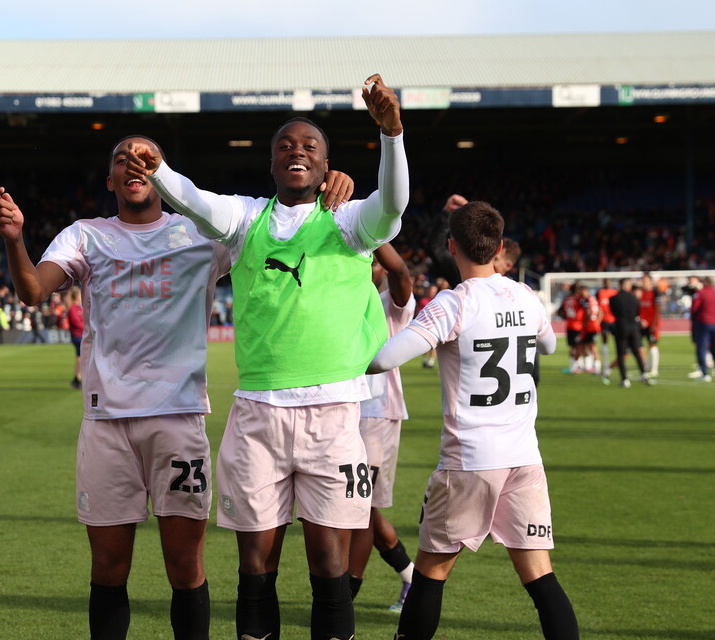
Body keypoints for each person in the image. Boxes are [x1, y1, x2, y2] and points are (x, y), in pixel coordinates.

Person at [126, 73, 409, 640]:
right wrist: (157, 169)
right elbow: (196, 201)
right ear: (272, 164)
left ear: (328, 168)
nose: (296, 151)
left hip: (333, 415)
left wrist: (392, 135)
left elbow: (395, 202)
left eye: (309, 146)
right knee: (255, 566)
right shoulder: (246, 217)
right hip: (257, 414)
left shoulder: (350, 223)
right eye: (285, 146)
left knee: (328, 564)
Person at [0, 133, 292, 640]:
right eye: (121, 159)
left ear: (162, 171)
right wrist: (14, 238)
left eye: (144, 157)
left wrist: (332, 182)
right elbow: (32, 291)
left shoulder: (204, 235)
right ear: (109, 180)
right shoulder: (85, 235)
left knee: (184, 567)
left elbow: (283, 216)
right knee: (108, 569)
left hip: (177, 421)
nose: (132, 164)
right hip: (106, 423)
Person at [368, 201, 579, 640]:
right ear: (500, 246)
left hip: (470, 461)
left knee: (431, 572)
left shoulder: (454, 303)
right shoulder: (525, 294)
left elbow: (385, 358)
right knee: (541, 577)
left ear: (451, 246)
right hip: (524, 458)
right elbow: (551, 347)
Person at [348, 242, 416, 613]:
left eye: (374, 263)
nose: (369, 266)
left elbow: (401, 274)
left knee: (361, 508)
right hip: (343, 412)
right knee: (355, 506)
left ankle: (347, 594)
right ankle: (410, 576)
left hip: (377, 414)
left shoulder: (391, 304)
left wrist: (370, 234)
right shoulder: (343, 296)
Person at [607, 279, 654, 388]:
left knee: (620, 354)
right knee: (637, 352)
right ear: (627, 286)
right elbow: (637, 312)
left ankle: (624, 379)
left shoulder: (614, 299)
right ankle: (643, 374)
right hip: (633, 328)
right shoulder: (634, 298)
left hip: (621, 327)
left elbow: (613, 312)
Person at [690, 276, 715, 382]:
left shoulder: (701, 293)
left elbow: (694, 308)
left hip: (703, 323)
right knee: (714, 348)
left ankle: (704, 373)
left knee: (702, 348)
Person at [638, 272, 661, 377]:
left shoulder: (655, 292)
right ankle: (646, 364)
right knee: (638, 344)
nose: (643, 282)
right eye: (642, 280)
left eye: (645, 280)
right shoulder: (640, 293)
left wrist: (654, 324)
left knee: (652, 344)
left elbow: (658, 310)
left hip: (651, 324)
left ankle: (654, 369)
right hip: (641, 324)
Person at [66, 287, 84, 389]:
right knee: (81, 357)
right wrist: (87, 328)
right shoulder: (73, 309)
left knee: (80, 358)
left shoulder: (79, 308)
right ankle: (77, 378)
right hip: (78, 336)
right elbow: (77, 323)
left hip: (81, 335)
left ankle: (77, 378)